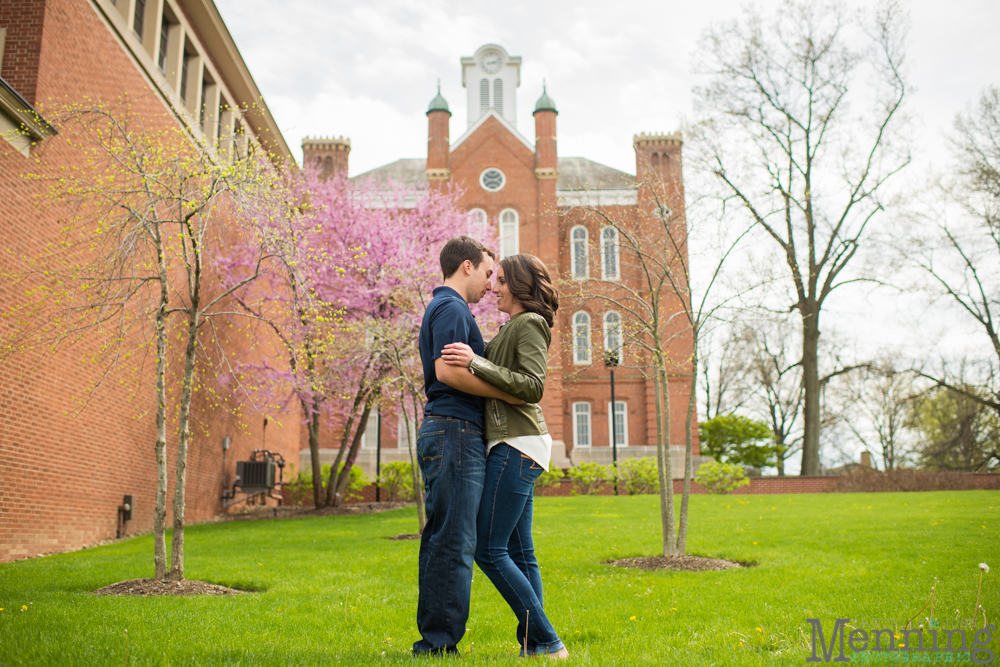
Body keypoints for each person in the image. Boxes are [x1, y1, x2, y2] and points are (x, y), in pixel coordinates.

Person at [441, 253, 569, 659]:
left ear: (517, 285)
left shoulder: (529, 323)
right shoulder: (515, 325)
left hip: (518, 443)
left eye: (499, 280)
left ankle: (547, 640)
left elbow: (533, 386)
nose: (492, 287)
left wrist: (476, 361)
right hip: (518, 443)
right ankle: (535, 644)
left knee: (488, 549)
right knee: (520, 552)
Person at [413, 236, 524, 655]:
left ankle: (436, 640)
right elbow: (446, 371)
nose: (490, 284)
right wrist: (508, 393)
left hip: (449, 432)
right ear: (466, 267)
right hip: (455, 432)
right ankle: (439, 644)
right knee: (455, 541)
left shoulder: (445, 307)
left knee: (446, 537)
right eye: (487, 273)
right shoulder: (453, 308)